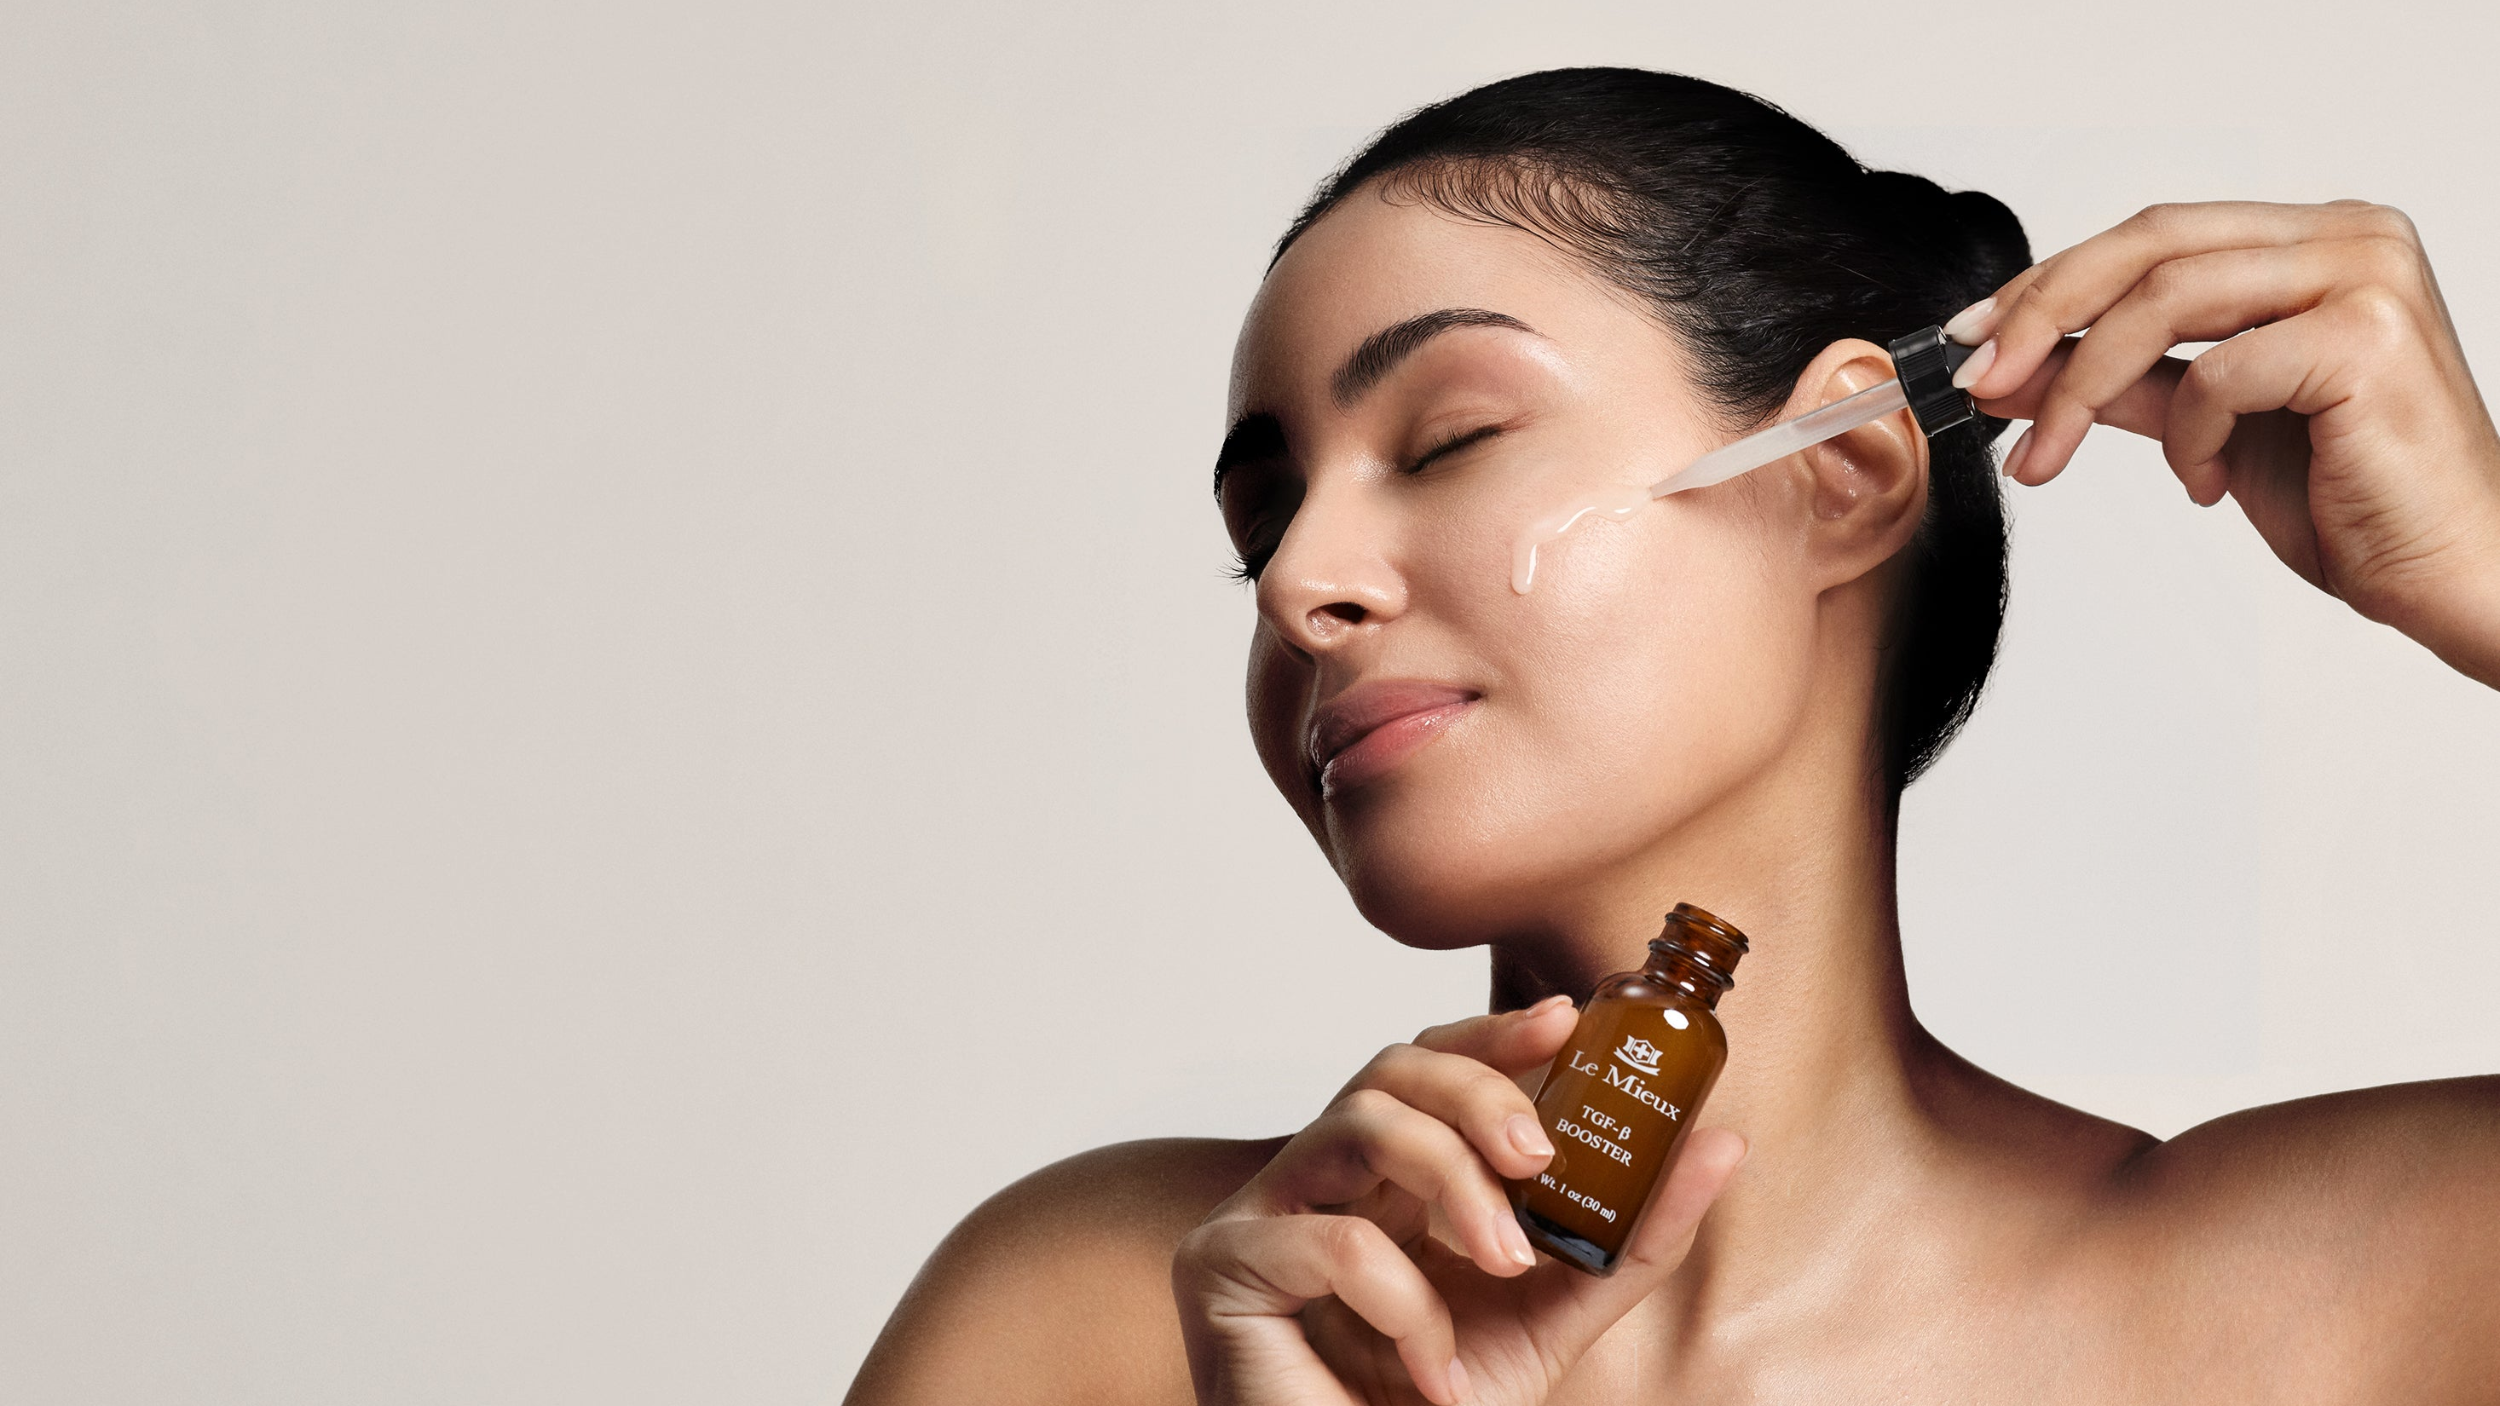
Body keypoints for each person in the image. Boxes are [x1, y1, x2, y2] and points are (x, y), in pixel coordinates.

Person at [847, 68, 2500, 1403]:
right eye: (1265, 519)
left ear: (1837, 474)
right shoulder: (1092, 1328)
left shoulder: (2363, 1296)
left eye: (1449, 437)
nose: (1298, 585)